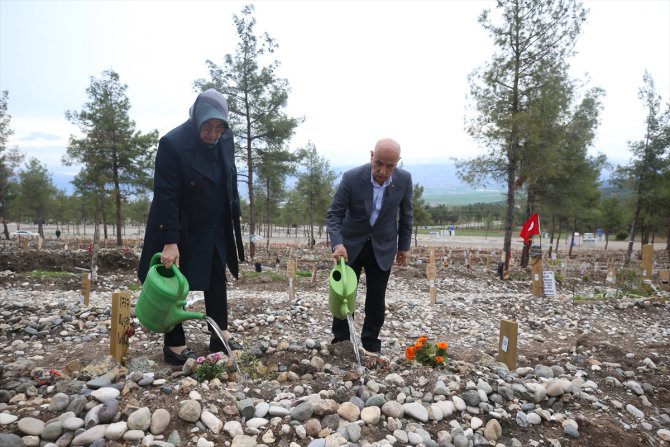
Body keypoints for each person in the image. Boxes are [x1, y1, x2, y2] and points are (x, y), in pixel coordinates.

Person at [138, 89, 245, 366]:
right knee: (172, 282)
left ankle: (218, 333)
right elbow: (166, 194)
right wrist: (170, 241)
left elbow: (229, 175)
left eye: (219, 128)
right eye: (207, 127)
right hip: (179, 223)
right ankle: (174, 345)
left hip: (213, 221)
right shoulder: (173, 144)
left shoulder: (225, 138)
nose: (213, 134)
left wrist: (235, 211)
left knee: (215, 277)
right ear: (196, 118)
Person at [326, 138, 413, 355]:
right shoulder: (352, 178)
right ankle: (343, 341)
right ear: (371, 155)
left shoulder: (404, 180)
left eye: (390, 166)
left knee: (376, 297)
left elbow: (407, 215)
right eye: (379, 163)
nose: (383, 171)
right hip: (350, 246)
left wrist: (404, 247)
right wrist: (337, 244)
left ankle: (370, 342)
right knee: (344, 294)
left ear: (398, 162)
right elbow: (334, 214)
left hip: (383, 246)